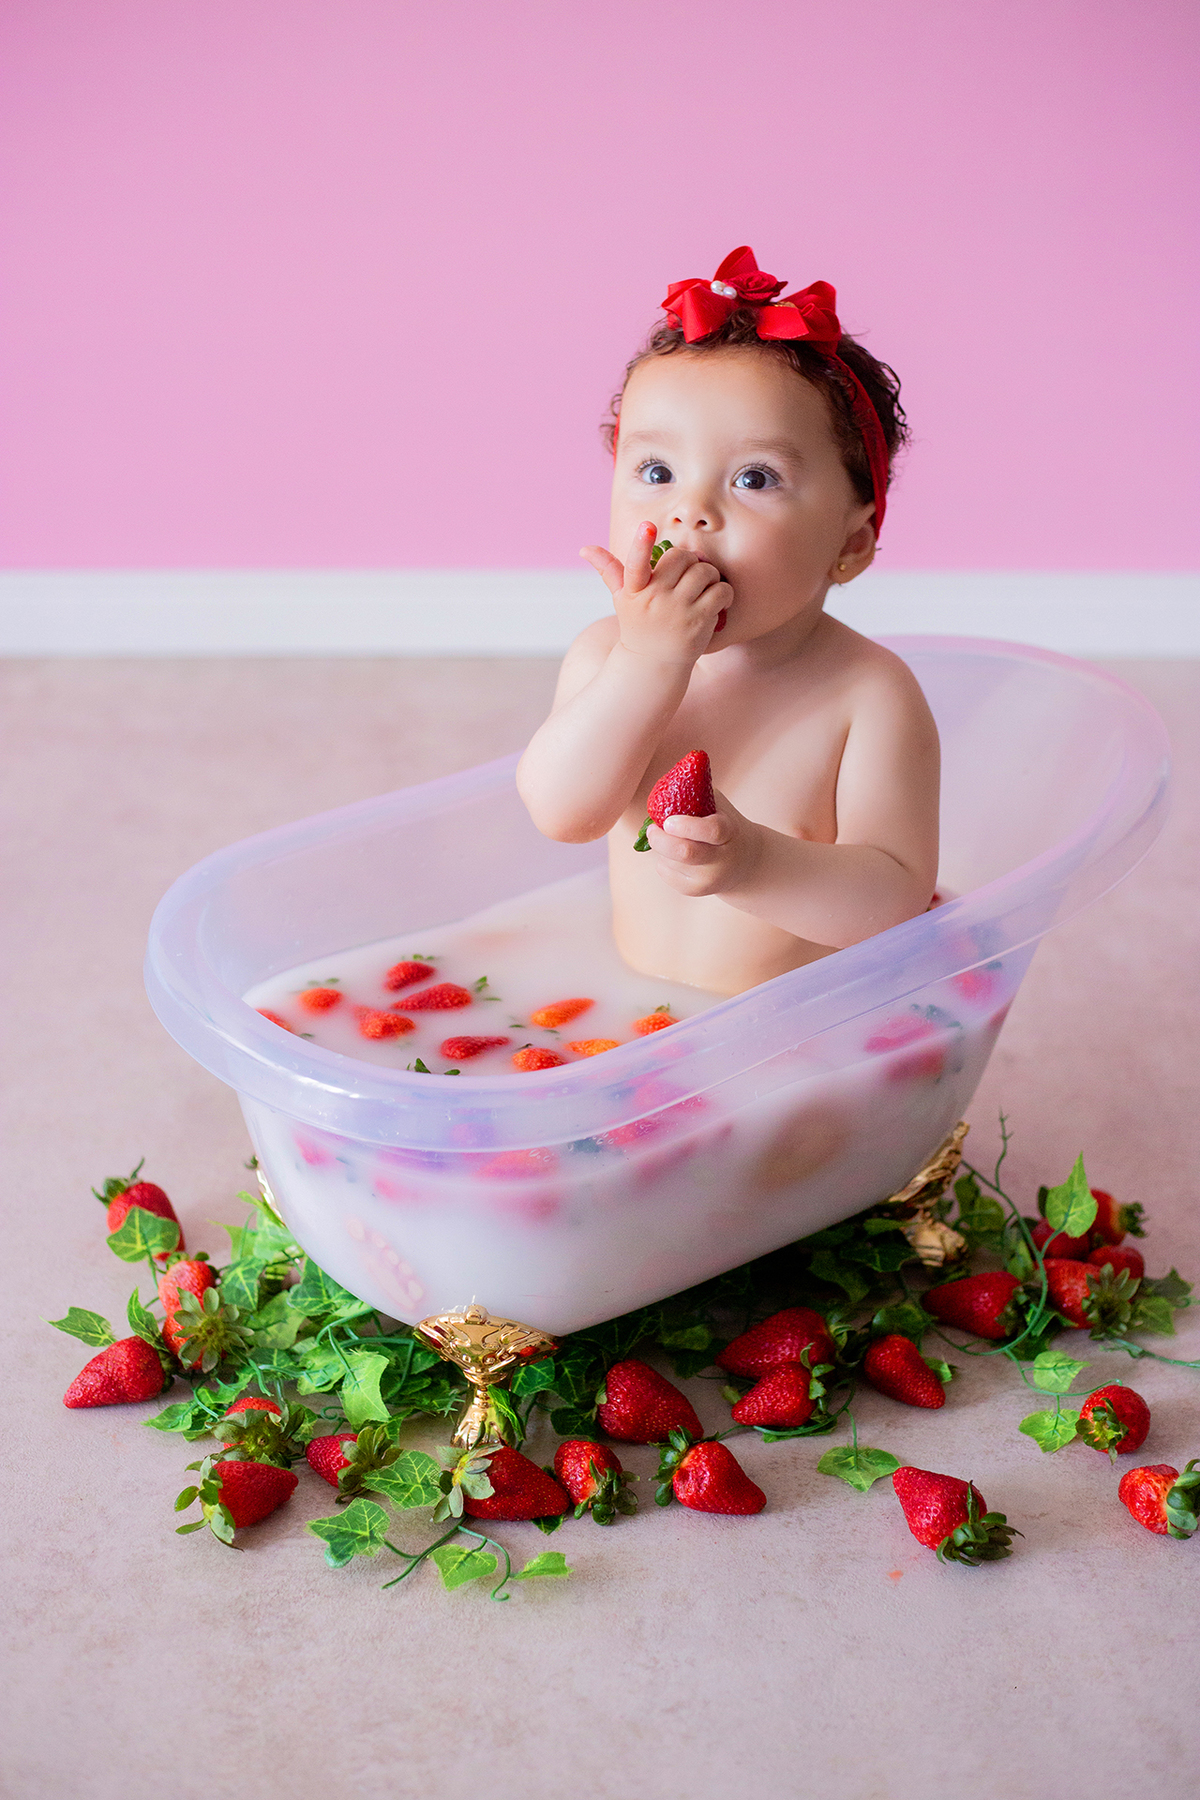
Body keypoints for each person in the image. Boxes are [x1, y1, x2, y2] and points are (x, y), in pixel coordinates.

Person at [517, 247, 939, 998]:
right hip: (633, 1010)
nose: (689, 512)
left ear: (851, 544)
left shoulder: (868, 694)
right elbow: (562, 811)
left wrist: (752, 866)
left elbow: (896, 901)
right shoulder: (606, 655)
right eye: (656, 472)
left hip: (796, 1033)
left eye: (755, 478)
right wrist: (647, 666)